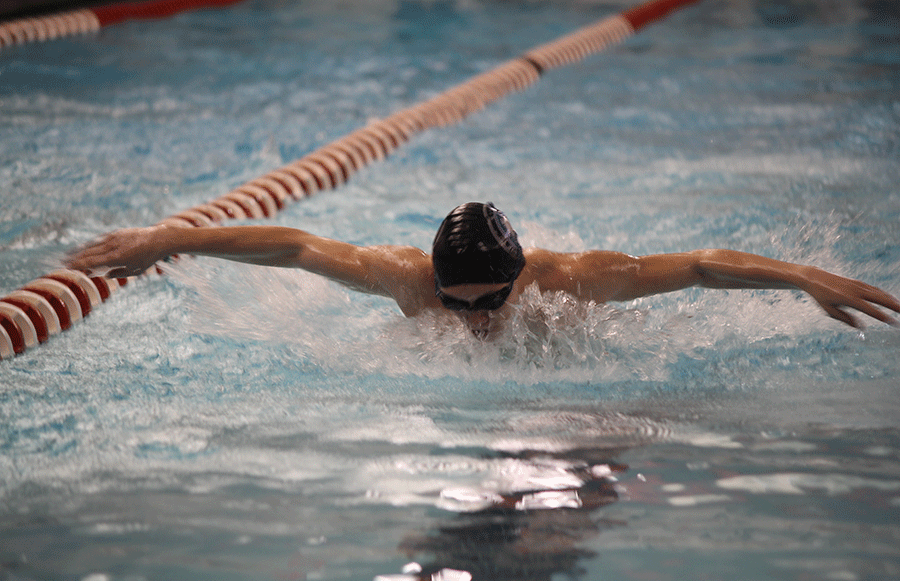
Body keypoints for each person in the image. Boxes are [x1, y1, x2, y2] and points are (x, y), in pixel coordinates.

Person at [65, 202, 899, 339]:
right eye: (455, 303)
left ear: (518, 276)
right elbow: (293, 246)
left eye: (489, 300)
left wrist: (803, 277)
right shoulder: (400, 277)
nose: (474, 321)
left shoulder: (564, 280)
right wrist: (164, 239)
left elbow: (698, 270)